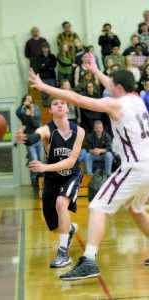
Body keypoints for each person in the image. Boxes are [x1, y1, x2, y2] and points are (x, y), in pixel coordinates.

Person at [28, 52, 149, 280]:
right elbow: (114, 84)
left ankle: (90, 261)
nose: (107, 86)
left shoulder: (116, 103)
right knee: (136, 208)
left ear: (118, 88)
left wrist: (45, 87)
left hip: (136, 167)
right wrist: (95, 71)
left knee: (97, 206)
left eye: (110, 84)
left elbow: (78, 100)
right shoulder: (136, 99)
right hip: (148, 165)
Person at [16, 96, 85, 268]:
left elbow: (70, 162)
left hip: (71, 174)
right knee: (55, 227)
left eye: (63, 103)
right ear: (51, 110)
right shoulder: (47, 129)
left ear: (68, 108)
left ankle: (63, 253)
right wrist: (25, 138)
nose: (60, 105)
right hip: (52, 178)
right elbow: (35, 136)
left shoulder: (79, 131)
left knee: (62, 203)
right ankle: (69, 230)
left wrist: (44, 168)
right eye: (55, 104)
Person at [16, 94, 44, 187]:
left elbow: (35, 124)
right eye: (27, 100)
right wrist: (23, 105)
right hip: (29, 137)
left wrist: (30, 114)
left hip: (37, 136)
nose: (29, 102)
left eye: (31, 100)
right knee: (34, 159)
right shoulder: (24, 110)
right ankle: (34, 179)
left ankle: (41, 177)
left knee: (40, 159)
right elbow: (18, 113)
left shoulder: (35, 109)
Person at [37, 42, 57, 107]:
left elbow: (54, 65)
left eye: (47, 48)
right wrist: (48, 66)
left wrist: (45, 65)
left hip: (51, 76)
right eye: (44, 48)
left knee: (52, 91)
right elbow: (40, 66)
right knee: (44, 91)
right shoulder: (39, 57)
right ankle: (45, 105)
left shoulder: (52, 56)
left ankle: (53, 103)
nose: (46, 49)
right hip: (43, 77)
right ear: (42, 49)